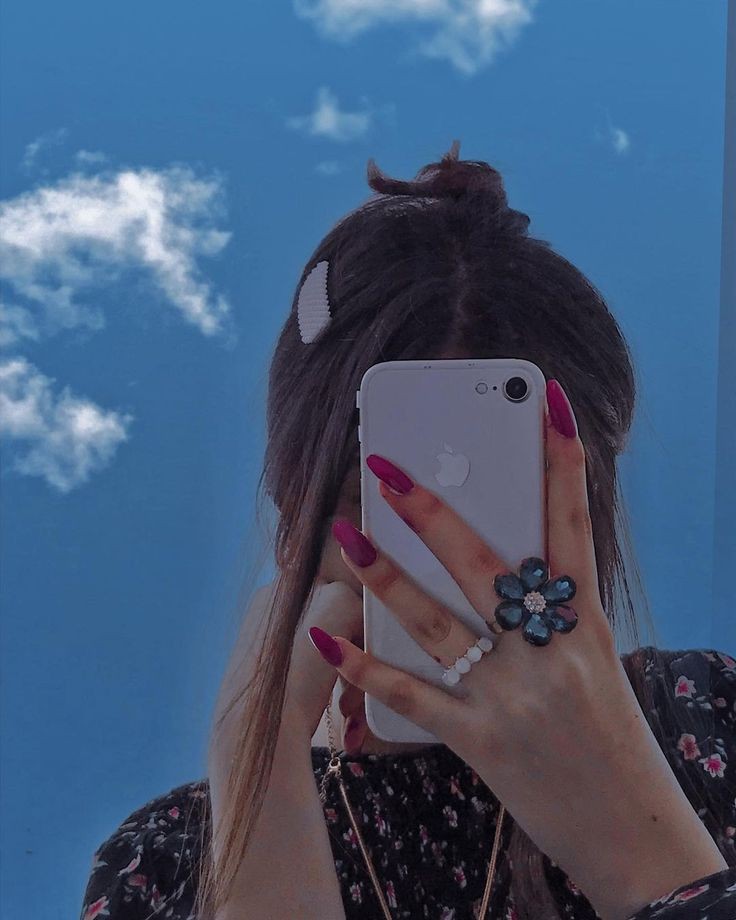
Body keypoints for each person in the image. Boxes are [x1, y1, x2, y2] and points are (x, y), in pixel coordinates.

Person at [79, 141, 736, 920]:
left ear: (585, 510)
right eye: (387, 506)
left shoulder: (713, 718)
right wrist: (258, 765)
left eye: (492, 505)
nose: (444, 561)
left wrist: (647, 856)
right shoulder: (162, 861)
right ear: (296, 524)